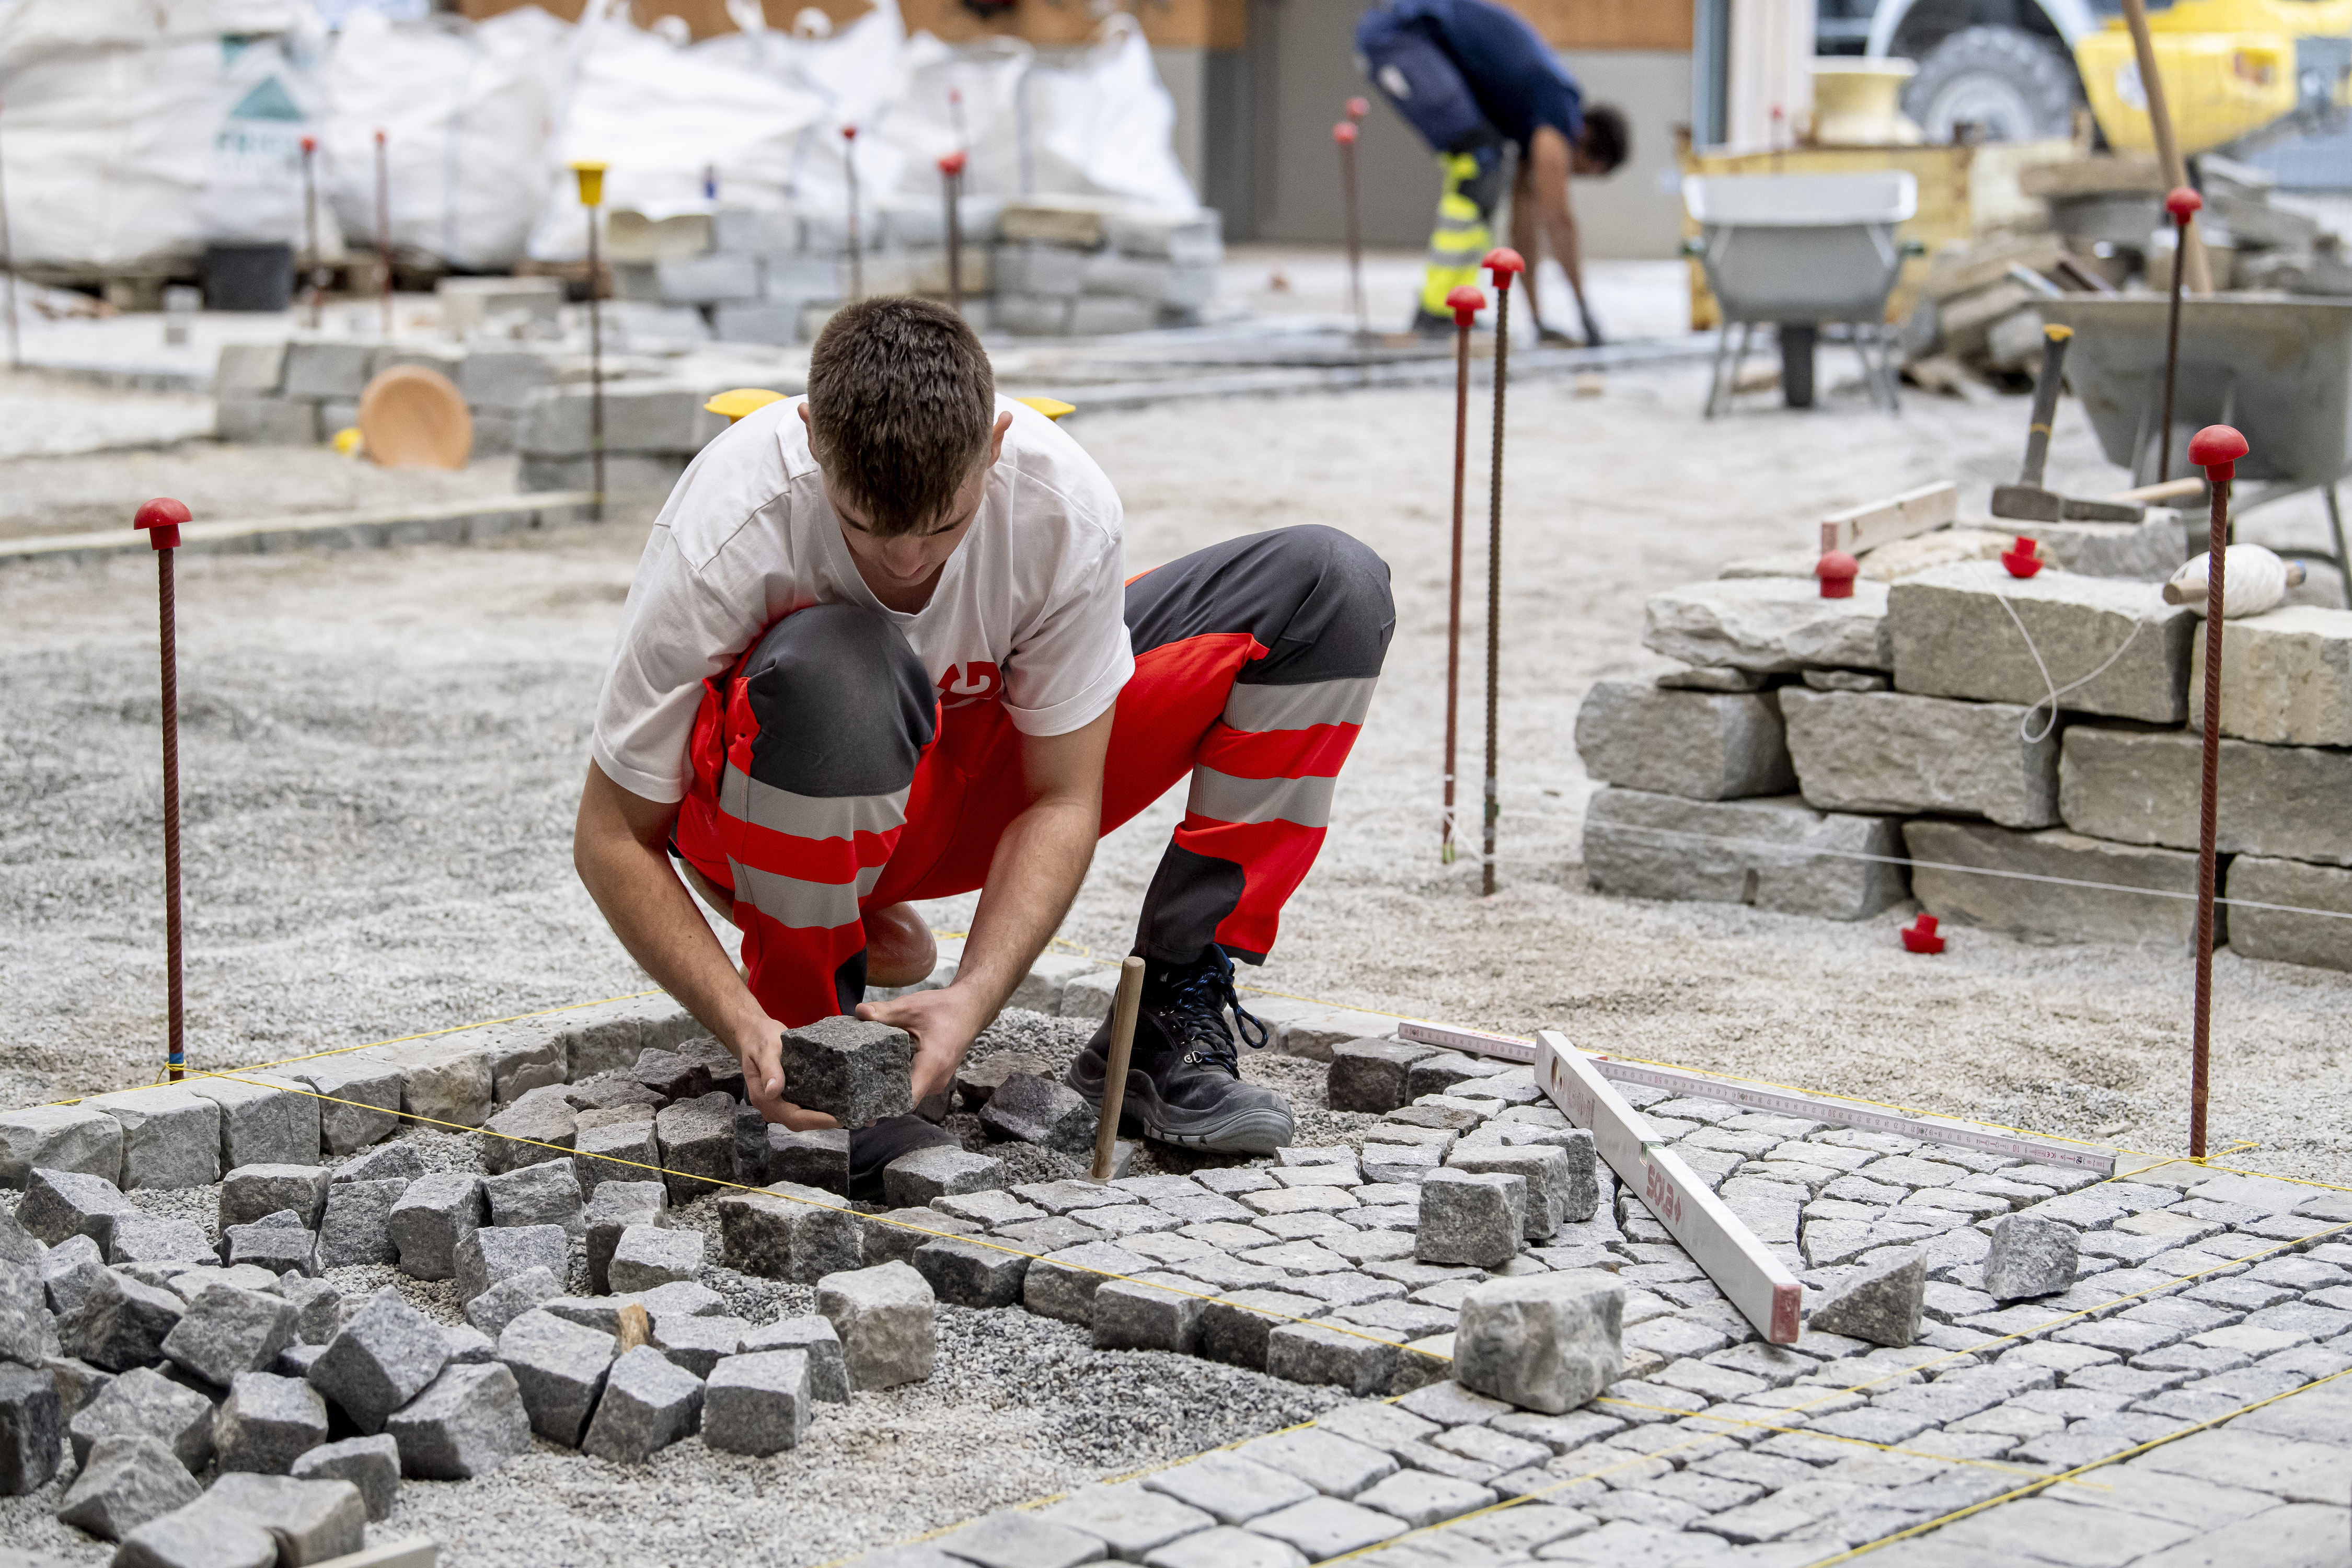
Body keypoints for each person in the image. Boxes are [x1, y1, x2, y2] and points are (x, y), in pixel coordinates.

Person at [573, 297, 1393, 1194]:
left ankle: (1166, 1019)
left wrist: (973, 999)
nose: (907, 565)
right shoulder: (726, 527)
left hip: (973, 777)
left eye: (944, 527)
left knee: (1332, 590)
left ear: (997, 445)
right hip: (769, 793)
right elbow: (614, 835)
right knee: (840, 663)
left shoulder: (1061, 501)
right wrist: (742, 1024)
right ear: (810, 439)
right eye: (866, 530)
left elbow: (1061, 797)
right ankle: (818, 1046)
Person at [1354, 0, 1628, 344]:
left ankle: (1453, 310)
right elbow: (1559, 219)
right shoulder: (1559, 110)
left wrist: (1539, 320)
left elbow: (1523, 227)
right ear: (1586, 141)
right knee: (1479, 160)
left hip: (1416, 39)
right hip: (1399, 36)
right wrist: (1584, 308)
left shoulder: (1534, 119)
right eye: (1582, 172)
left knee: (1488, 164)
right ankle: (1435, 315)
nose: (1566, 176)